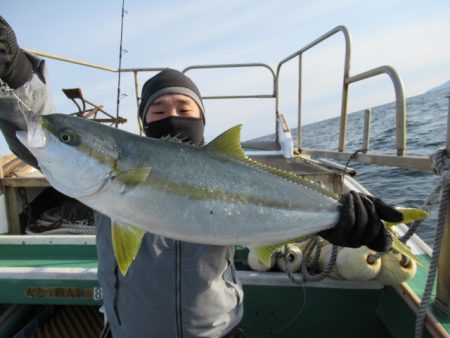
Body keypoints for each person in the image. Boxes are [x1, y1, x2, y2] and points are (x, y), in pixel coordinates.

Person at [0, 16, 403, 338]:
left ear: (204, 121)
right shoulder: (108, 186)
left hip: (219, 331)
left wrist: (335, 222)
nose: (172, 116)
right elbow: (35, 131)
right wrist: (16, 71)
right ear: (141, 126)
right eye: (157, 112)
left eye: (185, 108)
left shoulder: (230, 169)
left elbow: (270, 221)